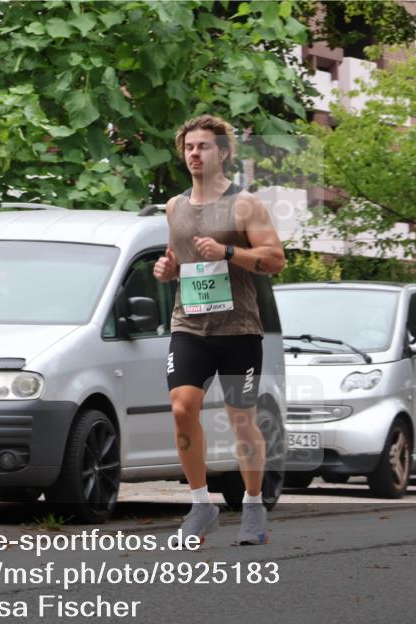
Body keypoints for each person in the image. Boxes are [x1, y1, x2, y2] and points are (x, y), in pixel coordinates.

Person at [153, 115, 286, 544]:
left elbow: (274, 260)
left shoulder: (244, 204)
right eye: (189, 147)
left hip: (239, 329)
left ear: (223, 152)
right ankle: (200, 505)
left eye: (203, 147)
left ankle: (252, 506)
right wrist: (167, 269)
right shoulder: (175, 207)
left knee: (241, 419)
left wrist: (230, 251)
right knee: (181, 407)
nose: (194, 154)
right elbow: (179, 259)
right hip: (189, 323)